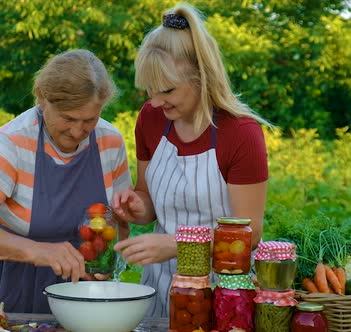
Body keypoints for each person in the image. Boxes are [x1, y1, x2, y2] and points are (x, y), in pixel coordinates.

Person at [111, 4, 271, 317]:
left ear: (201, 76)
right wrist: (135, 206)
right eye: (150, 91)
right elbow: (148, 203)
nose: (156, 101)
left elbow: (249, 236)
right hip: (161, 288)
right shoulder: (151, 119)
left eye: (167, 90)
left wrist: (177, 245)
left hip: (224, 292)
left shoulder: (240, 133)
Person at [0, 49, 132, 313]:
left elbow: (117, 222)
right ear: (42, 99)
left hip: (80, 296)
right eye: (68, 118)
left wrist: (103, 259)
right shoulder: (13, 141)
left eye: (89, 120)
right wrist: (39, 251)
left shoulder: (110, 141)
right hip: (9, 288)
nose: (77, 131)